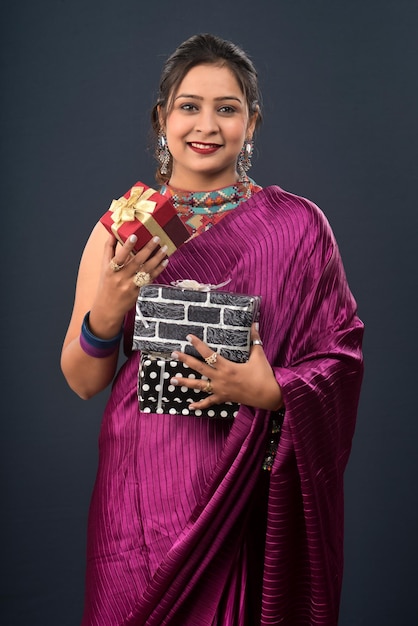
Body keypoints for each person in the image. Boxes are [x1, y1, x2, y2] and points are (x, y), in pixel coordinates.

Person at [61, 33, 364, 626]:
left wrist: (272, 391)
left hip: (243, 475)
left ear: (250, 123)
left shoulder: (298, 226)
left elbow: (342, 355)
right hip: (141, 480)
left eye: (227, 109)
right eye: (189, 106)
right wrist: (108, 310)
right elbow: (82, 380)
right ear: (162, 118)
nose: (207, 124)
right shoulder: (123, 227)